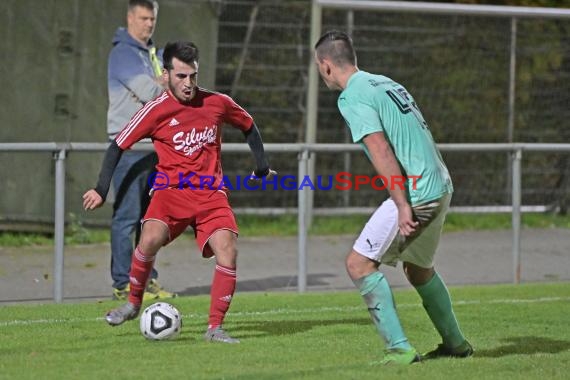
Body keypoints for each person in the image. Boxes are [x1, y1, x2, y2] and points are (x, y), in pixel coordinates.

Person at [83, 40, 275, 343]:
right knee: (148, 240)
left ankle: (214, 329)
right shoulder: (155, 110)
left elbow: (249, 125)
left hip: (211, 194)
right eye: (181, 76)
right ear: (167, 75)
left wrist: (262, 167)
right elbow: (118, 145)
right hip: (170, 193)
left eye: (193, 76)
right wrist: (101, 188)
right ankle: (133, 304)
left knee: (228, 250)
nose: (188, 84)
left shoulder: (216, 102)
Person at [314, 30, 473, 364]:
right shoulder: (384, 82)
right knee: (418, 270)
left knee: (359, 264)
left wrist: (402, 205)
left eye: (318, 67)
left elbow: (380, 148)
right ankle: (456, 345)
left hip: (418, 192)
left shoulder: (352, 96)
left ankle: (399, 350)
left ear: (326, 66)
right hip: (440, 184)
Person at [107, 0, 175, 300]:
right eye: (144, 18)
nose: (149, 24)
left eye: (152, 19)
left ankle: (146, 279)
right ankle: (123, 283)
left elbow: (174, 90)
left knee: (151, 221)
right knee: (126, 218)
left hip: (155, 149)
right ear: (130, 18)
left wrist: (164, 83)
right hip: (130, 148)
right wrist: (164, 84)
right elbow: (151, 94)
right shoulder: (122, 54)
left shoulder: (154, 55)